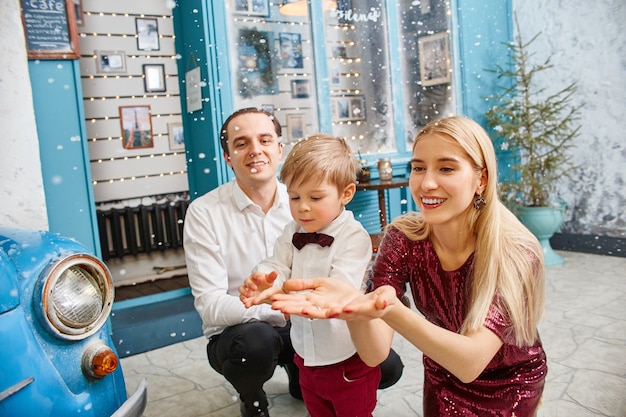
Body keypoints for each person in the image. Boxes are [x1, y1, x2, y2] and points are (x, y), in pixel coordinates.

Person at [270, 116, 548, 416]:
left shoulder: (515, 251)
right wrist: (353, 308)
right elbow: (374, 354)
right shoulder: (403, 239)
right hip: (443, 379)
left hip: (510, 384)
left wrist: (392, 310)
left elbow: (469, 363)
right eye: (418, 167)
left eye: (446, 168)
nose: (426, 183)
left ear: (481, 179)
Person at [183, 108, 402, 417]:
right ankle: (252, 396)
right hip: (254, 330)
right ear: (228, 156)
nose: (255, 150)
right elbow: (262, 272)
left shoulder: (327, 218)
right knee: (256, 346)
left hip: (329, 337)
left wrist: (286, 299)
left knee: (381, 370)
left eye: (264, 139)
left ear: (278, 149)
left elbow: (342, 289)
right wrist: (260, 285)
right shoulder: (206, 212)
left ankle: (300, 379)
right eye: (241, 143)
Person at [240, 134, 381, 417]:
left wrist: (292, 296)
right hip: (306, 356)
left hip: (347, 360)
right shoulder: (293, 231)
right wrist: (264, 280)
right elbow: (277, 264)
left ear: (346, 193)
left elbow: (339, 289)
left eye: (315, 197)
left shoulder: (353, 237)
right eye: (294, 196)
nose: (302, 206)